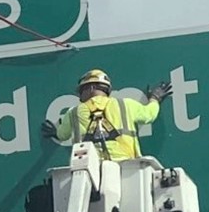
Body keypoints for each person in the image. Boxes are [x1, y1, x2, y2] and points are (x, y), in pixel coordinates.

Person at [40, 69, 172, 161]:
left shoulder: (73, 112)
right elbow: (149, 115)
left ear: (90, 88)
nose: (80, 98)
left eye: (81, 92)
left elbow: (63, 135)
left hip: (92, 172)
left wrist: (54, 132)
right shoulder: (125, 104)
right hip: (128, 167)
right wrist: (155, 98)